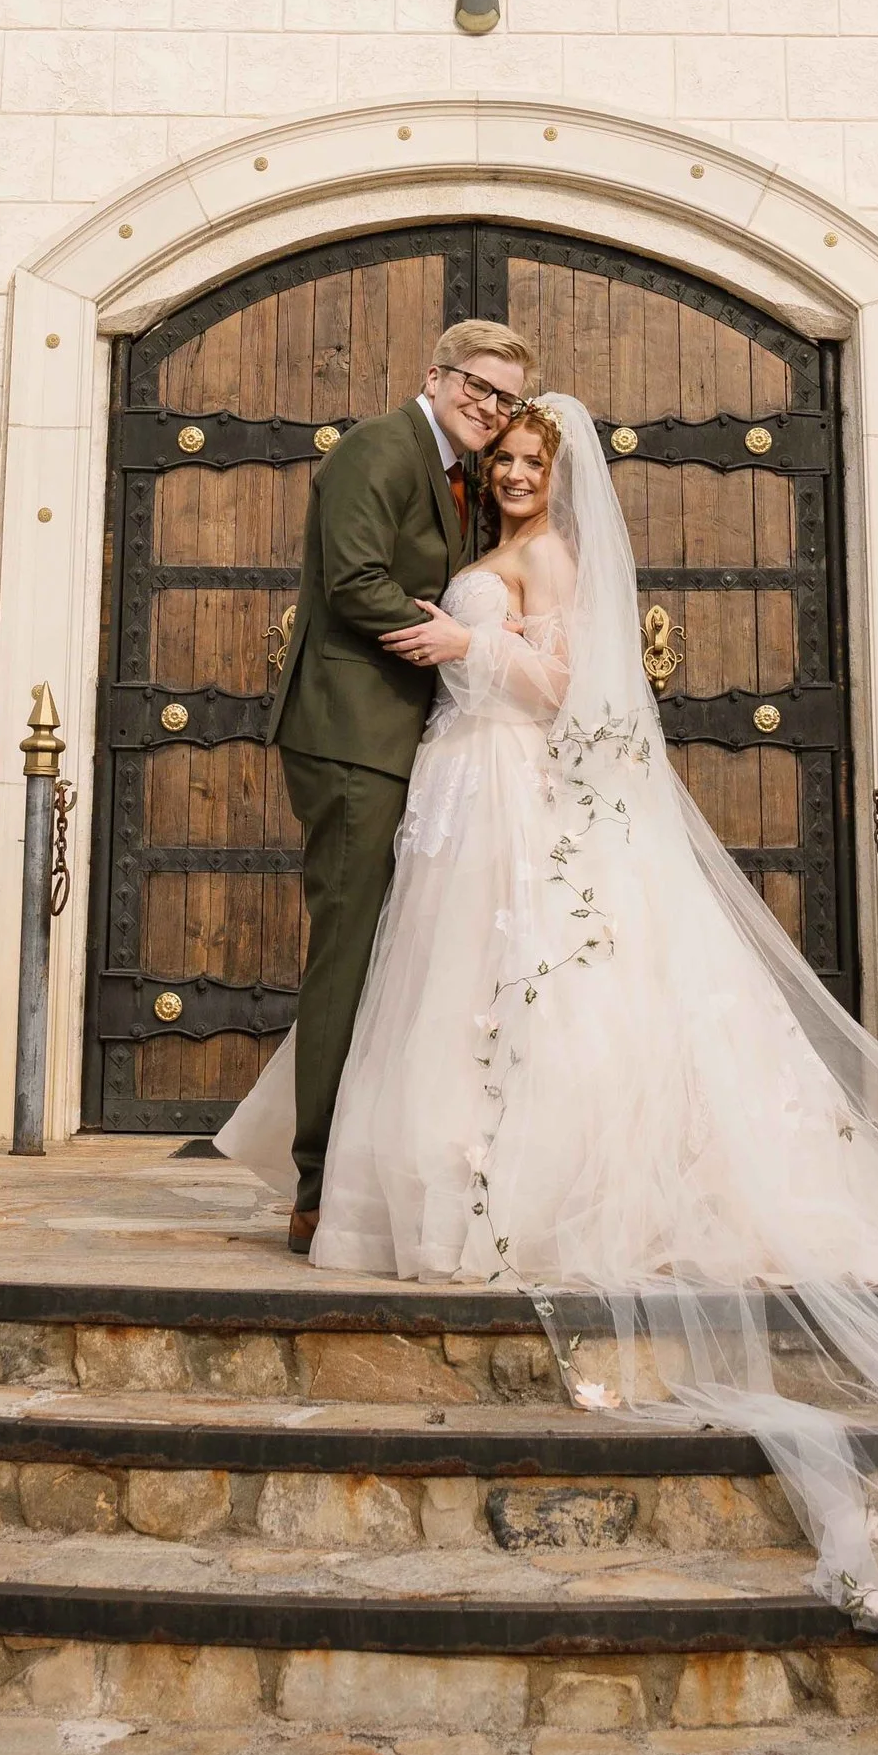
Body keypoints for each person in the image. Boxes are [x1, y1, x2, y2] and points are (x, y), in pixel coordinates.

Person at [223, 395, 878, 1704]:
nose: (516, 474)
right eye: (506, 458)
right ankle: (423, 1174)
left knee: (530, 992)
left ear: (560, 472)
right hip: (468, 785)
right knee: (456, 995)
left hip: (510, 778)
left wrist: (474, 638)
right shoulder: (476, 524)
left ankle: (506, 1184)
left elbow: (568, 683)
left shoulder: (554, 557)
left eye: (533, 461)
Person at [259, 316, 534, 1256]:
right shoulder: (378, 448)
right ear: (436, 373)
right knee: (349, 949)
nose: (488, 408)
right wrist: (448, 641)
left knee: (394, 951)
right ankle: (314, 1186)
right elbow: (354, 580)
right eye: (476, 386)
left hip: (414, 739)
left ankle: (370, 1167)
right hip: (351, 734)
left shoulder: (463, 480)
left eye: (504, 398)